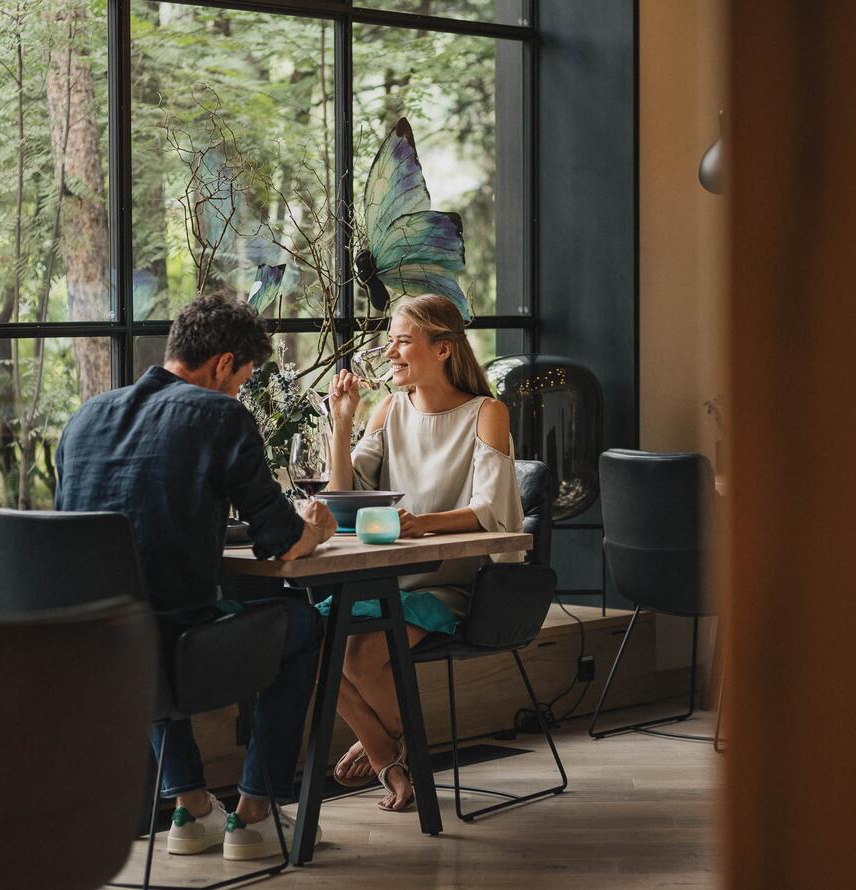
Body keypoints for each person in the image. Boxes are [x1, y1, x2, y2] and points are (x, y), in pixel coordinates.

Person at [55, 294, 337, 860]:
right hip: (179, 654)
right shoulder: (220, 415)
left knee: (145, 614)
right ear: (223, 364)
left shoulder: (86, 416)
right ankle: (256, 815)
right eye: (241, 380)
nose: (239, 393)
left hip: (89, 653)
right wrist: (317, 528)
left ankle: (192, 807)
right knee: (305, 623)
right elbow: (281, 540)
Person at [324, 293, 525, 812]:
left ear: (442, 349)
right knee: (309, 643)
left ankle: (385, 751)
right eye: (388, 341)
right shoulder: (388, 409)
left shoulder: (487, 413)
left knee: (362, 656)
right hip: (386, 578)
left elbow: (491, 510)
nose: (390, 351)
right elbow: (344, 495)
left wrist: (420, 525)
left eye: (402, 341)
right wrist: (342, 423)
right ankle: (389, 749)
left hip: (449, 583)